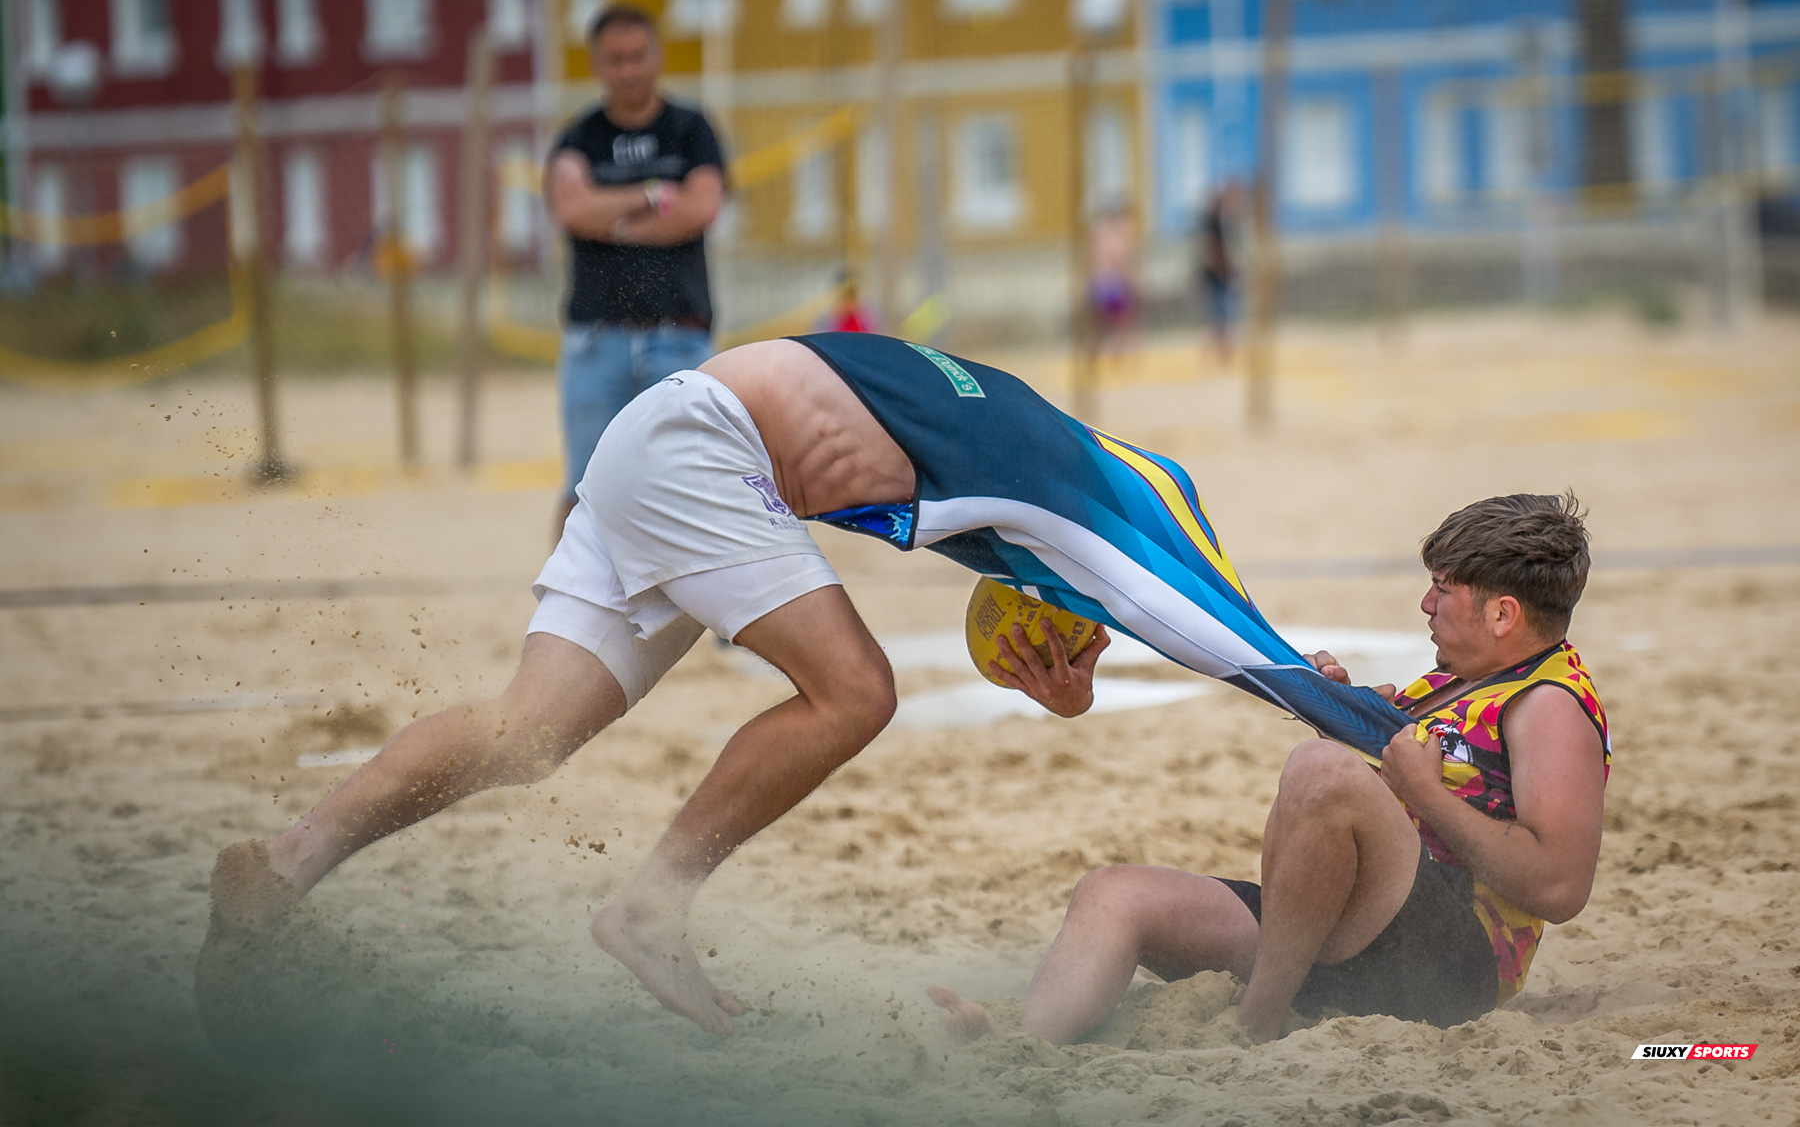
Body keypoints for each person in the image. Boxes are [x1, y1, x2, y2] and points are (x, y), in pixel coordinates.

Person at [203, 334, 1413, 1039]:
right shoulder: (1074, 494)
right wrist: (1344, 707)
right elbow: (1182, 613)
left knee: (526, 735)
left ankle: (287, 866)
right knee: (856, 693)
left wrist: (1178, 659)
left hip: (656, 436)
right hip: (705, 450)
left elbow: (1177, 583)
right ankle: (650, 909)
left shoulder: (1076, 456)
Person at [927, 493, 1609, 1045]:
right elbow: (1391, 768)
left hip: (1450, 968)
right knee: (1114, 893)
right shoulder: (1455, 682)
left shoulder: (1548, 704)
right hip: (1348, 937)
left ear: (1503, 613)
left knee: (1321, 771)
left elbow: (1558, 887)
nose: (1426, 605)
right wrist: (1338, 705)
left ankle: (1257, 1022)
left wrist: (1423, 793)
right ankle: (1017, 1043)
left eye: (1441, 590)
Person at [544, 3, 727, 543]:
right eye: (614, 59)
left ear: (657, 57)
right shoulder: (578, 137)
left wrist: (611, 219)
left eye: (637, 56)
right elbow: (570, 208)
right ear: (597, 65)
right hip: (596, 343)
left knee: (702, 483)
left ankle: (724, 619)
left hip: (681, 337)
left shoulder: (691, 129)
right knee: (584, 488)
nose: (628, 70)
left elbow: (701, 210)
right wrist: (651, 197)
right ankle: (569, 617)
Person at [1197, 182, 1245, 365]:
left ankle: (1224, 356)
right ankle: (1218, 354)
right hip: (1216, 277)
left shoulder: (1227, 222)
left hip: (1224, 276)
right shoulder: (1213, 223)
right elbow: (1209, 251)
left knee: (1224, 319)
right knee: (1220, 319)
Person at [1086, 203, 1140, 358]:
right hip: (1112, 282)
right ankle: (1115, 357)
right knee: (1120, 323)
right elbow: (1120, 261)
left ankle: (1106, 356)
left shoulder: (1101, 234)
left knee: (1107, 326)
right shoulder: (1116, 236)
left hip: (1103, 282)